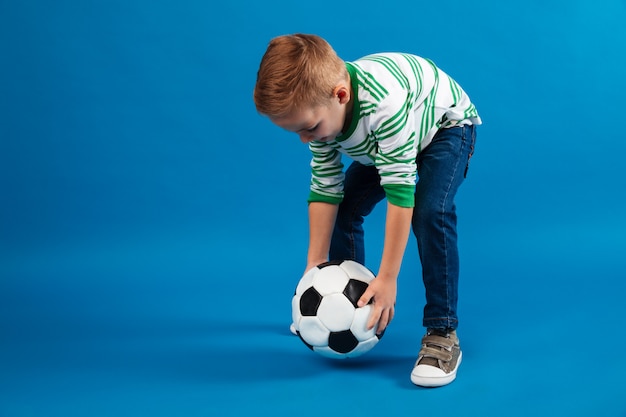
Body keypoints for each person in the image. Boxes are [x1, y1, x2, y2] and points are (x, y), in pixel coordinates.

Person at [253, 33, 481, 387]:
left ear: (340, 95)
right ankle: (350, 308)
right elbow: (325, 188)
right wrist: (313, 269)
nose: (305, 139)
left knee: (430, 213)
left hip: (444, 128)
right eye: (296, 132)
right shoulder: (322, 118)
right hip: (386, 142)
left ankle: (442, 331)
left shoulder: (382, 106)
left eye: (309, 128)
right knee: (345, 210)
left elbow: (400, 195)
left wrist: (388, 278)